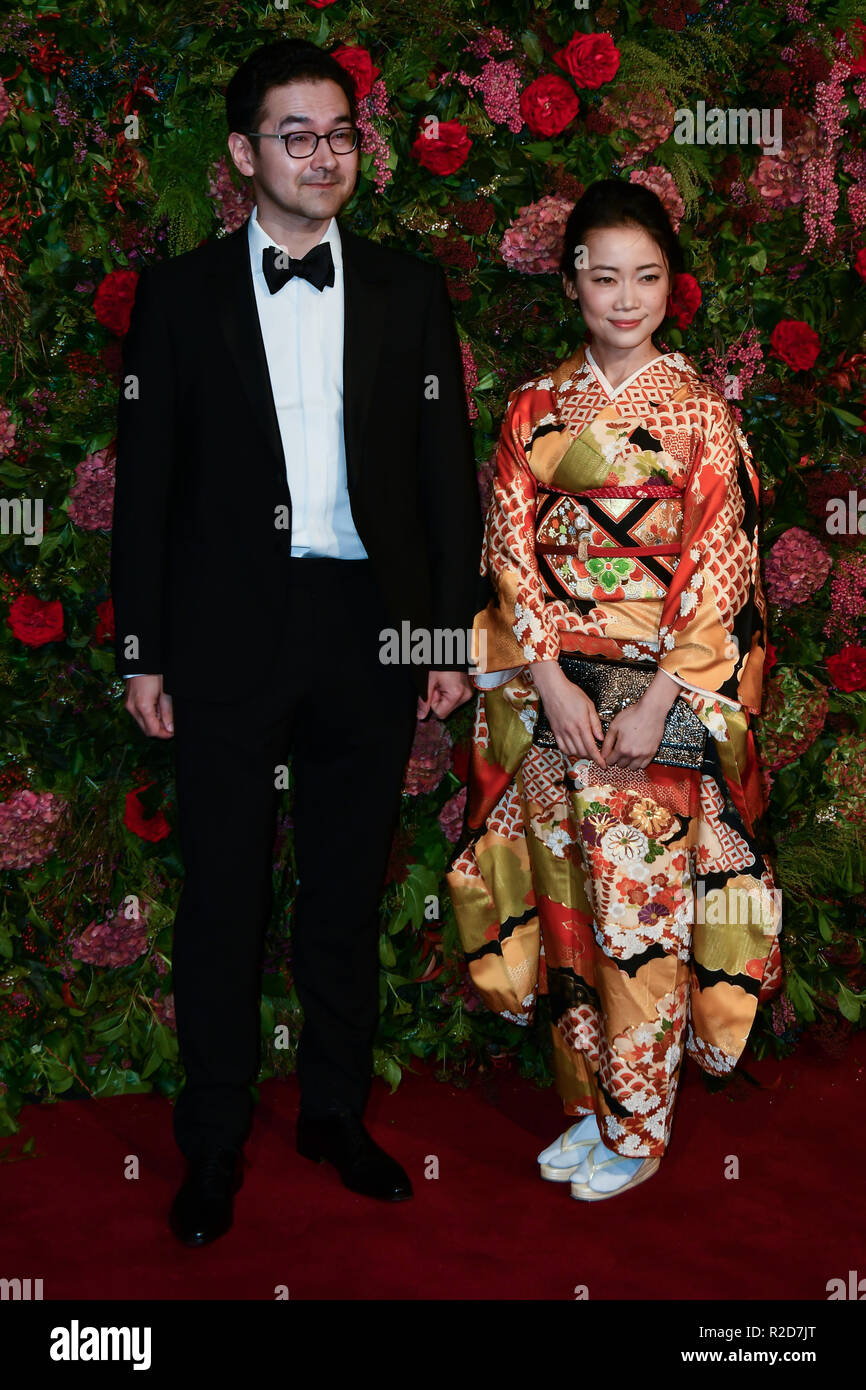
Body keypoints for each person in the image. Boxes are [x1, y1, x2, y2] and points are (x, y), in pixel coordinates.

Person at [110, 38, 481, 1245]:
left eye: (338, 133)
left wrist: (440, 626)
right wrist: (141, 648)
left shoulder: (406, 289)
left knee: (339, 893)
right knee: (221, 894)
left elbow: (443, 474)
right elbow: (147, 484)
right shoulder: (177, 298)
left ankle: (334, 1112)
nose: (322, 155)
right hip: (224, 633)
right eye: (295, 134)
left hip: (366, 628)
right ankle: (211, 1138)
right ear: (242, 155)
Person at [446, 178, 781, 1201]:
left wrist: (657, 699)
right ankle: (587, 1104)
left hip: (652, 695)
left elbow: (720, 561)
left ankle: (638, 1128)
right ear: (569, 283)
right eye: (602, 277)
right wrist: (542, 676)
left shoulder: (697, 414)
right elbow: (509, 547)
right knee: (566, 913)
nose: (623, 297)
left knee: (638, 916)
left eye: (644, 276)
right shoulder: (532, 409)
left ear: (671, 285)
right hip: (558, 693)